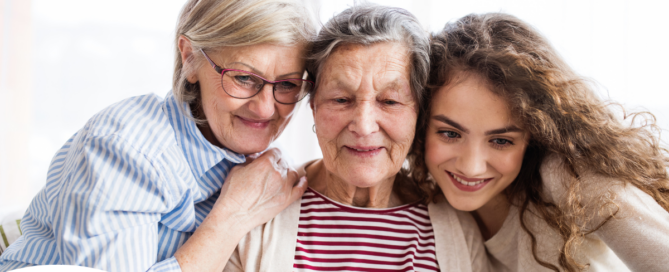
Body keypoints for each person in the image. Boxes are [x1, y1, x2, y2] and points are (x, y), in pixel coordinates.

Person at [0, 0, 317, 271]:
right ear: (190, 58)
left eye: (287, 84)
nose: (265, 109)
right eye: (245, 78)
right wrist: (232, 216)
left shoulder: (266, 169)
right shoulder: (126, 149)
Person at [223, 4, 488, 272]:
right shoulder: (255, 213)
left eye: (389, 101)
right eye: (341, 99)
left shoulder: (459, 229)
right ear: (314, 106)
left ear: (419, 111)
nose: (363, 126)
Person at [411, 12, 669, 272]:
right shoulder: (420, 197)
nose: (471, 167)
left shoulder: (570, 178)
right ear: (421, 124)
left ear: (535, 134)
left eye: (501, 140)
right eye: (450, 134)